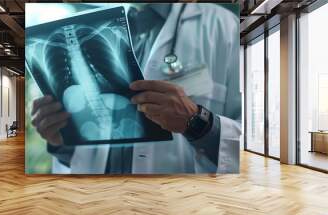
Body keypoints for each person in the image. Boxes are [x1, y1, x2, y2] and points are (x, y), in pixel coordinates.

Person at [31, 3, 241, 174]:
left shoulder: (223, 26)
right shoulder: (98, 21)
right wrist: (62, 141)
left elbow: (253, 142)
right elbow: (83, 158)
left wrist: (198, 124)